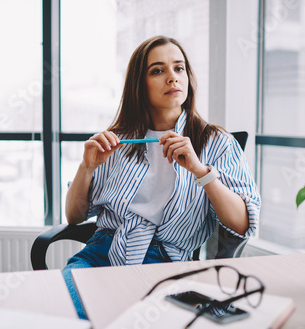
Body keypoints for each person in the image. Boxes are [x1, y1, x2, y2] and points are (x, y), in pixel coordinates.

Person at [63, 35, 261, 319]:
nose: (172, 78)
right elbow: (73, 216)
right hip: (101, 253)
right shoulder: (118, 141)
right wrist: (87, 167)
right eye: (158, 70)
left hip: (169, 264)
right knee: (74, 316)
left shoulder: (217, 142)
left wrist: (200, 171)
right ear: (139, 86)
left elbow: (243, 223)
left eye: (179, 68)